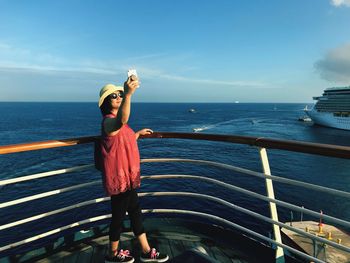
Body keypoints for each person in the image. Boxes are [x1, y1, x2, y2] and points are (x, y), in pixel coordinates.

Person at [98, 77, 169, 263]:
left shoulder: (119, 123)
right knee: (118, 216)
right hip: (120, 178)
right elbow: (120, 122)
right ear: (105, 102)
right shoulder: (108, 122)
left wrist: (136, 134)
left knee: (135, 212)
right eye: (113, 95)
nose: (118, 97)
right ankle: (112, 255)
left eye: (120, 94)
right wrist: (129, 94)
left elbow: (120, 140)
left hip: (128, 177)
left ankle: (146, 251)